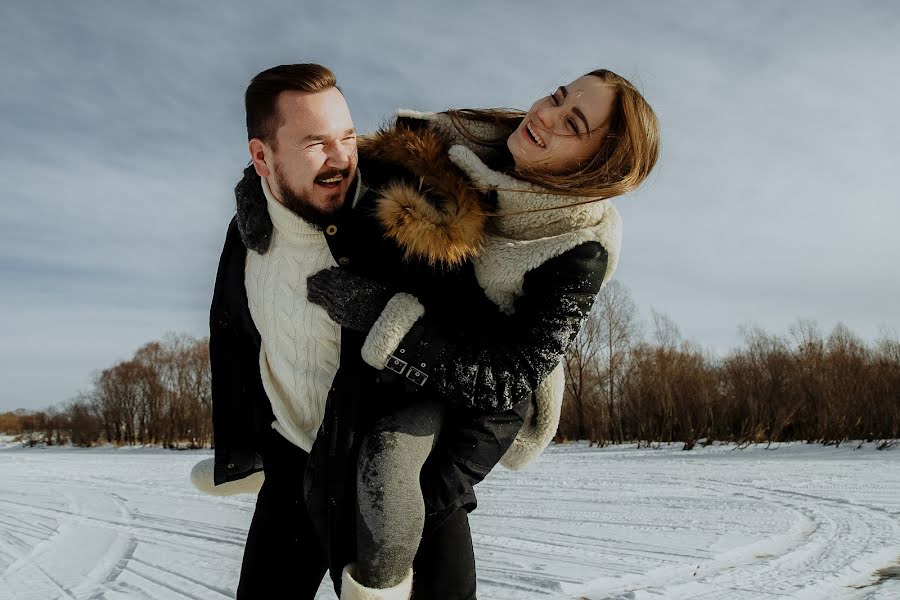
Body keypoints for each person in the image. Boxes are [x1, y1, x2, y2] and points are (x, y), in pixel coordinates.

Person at [300, 69, 660, 599]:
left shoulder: (577, 246)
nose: (545, 114)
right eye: (557, 97)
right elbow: (328, 173)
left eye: (572, 122)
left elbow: (509, 377)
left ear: (593, 170)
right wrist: (261, 195)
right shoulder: (457, 147)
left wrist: (384, 319)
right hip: (363, 394)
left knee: (422, 533)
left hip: (472, 421)